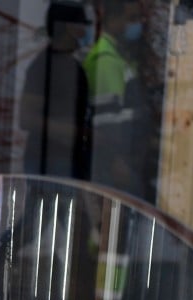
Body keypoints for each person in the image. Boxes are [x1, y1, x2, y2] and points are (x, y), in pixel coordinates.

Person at [83, 0, 152, 200]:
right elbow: (106, 122)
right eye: (131, 18)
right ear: (112, 19)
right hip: (116, 166)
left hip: (124, 161)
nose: (137, 24)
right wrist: (116, 162)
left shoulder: (117, 56)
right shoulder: (106, 61)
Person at [20, 1, 92, 179]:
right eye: (82, 24)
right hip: (48, 163)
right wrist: (69, 131)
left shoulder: (74, 67)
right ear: (69, 27)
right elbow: (26, 119)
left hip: (68, 161)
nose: (85, 32)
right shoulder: (42, 67)